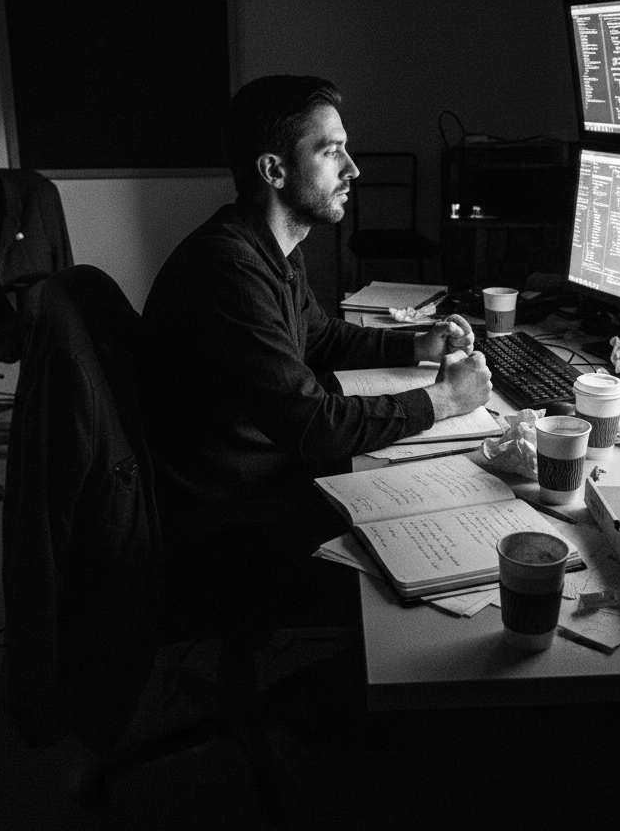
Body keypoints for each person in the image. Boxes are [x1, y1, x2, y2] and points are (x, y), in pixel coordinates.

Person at [139, 74, 490, 624]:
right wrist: (444, 400)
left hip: (251, 467)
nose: (354, 169)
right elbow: (314, 426)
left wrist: (417, 344)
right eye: (332, 152)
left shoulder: (271, 243)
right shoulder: (229, 268)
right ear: (274, 171)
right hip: (228, 505)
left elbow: (320, 336)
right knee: (428, 526)